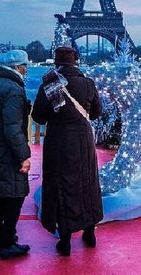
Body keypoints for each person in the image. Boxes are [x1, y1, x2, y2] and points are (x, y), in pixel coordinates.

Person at [32, 46, 103, 257]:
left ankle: (64, 239)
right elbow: (97, 112)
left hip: (59, 140)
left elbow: (38, 117)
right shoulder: (88, 83)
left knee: (61, 184)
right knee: (87, 182)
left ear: (56, 62)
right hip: (83, 140)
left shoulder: (49, 83)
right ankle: (89, 231)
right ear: (76, 61)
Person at [0, 49, 33, 260]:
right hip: (7, 152)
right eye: (25, 66)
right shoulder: (13, 89)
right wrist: (23, 155)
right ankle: (8, 242)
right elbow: (12, 129)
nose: (27, 70)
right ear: (18, 68)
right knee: (15, 195)